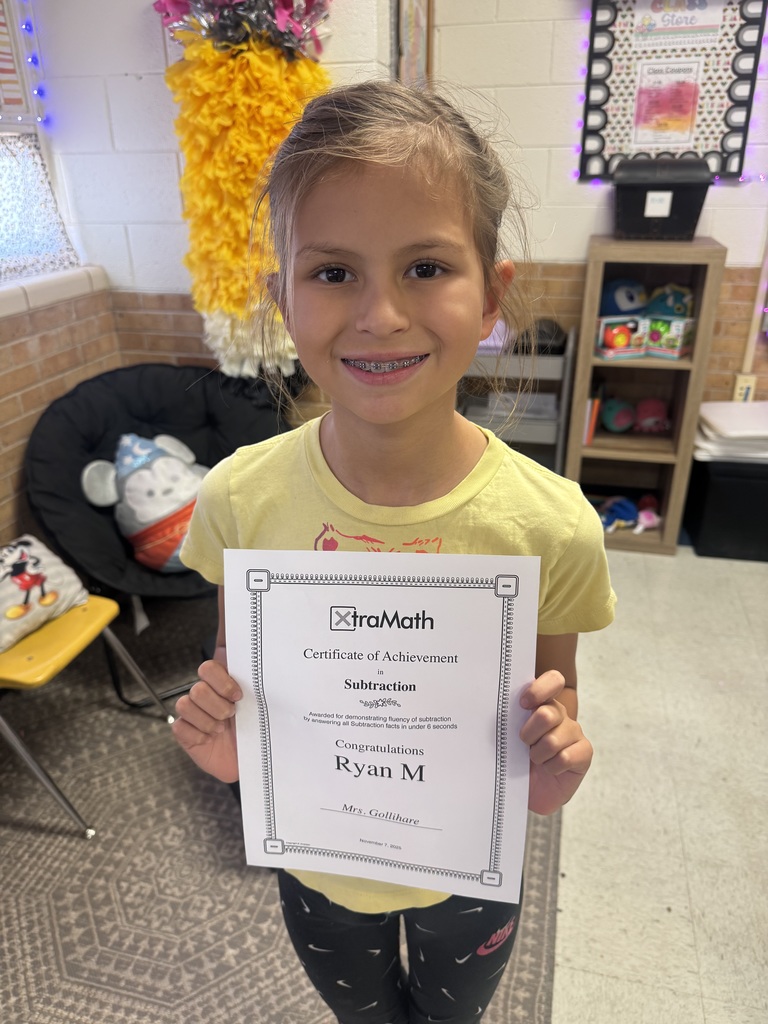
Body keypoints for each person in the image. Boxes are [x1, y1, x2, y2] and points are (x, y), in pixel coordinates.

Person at [172, 79, 615, 1024]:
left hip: (469, 879)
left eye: (425, 267)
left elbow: (547, 722)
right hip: (319, 868)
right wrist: (223, 753)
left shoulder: (552, 525)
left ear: (491, 294)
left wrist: (553, 766)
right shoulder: (240, 499)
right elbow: (241, 689)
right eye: (333, 272)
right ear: (282, 298)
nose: (379, 314)